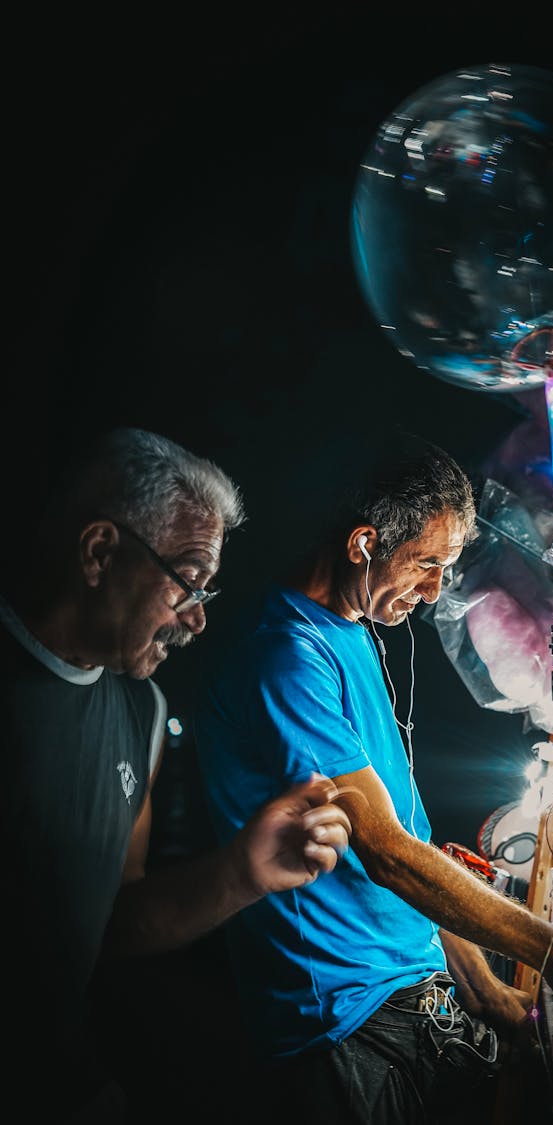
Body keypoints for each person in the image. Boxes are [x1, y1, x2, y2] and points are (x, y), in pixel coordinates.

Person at [193, 427, 553, 1125]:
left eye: (446, 568)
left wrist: (488, 994)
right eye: (425, 563)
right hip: (342, 1026)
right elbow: (390, 855)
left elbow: (415, 840)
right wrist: (552, 950)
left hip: (406, 999)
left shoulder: (353, 630)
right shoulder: (285, 654)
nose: (432, 593)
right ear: (364, 542)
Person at [0, 426, 352, 1123]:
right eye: (188, 581)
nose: (195, 620)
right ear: (100, 551)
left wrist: (241, 873)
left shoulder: (143, 708)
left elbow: (110, 923)